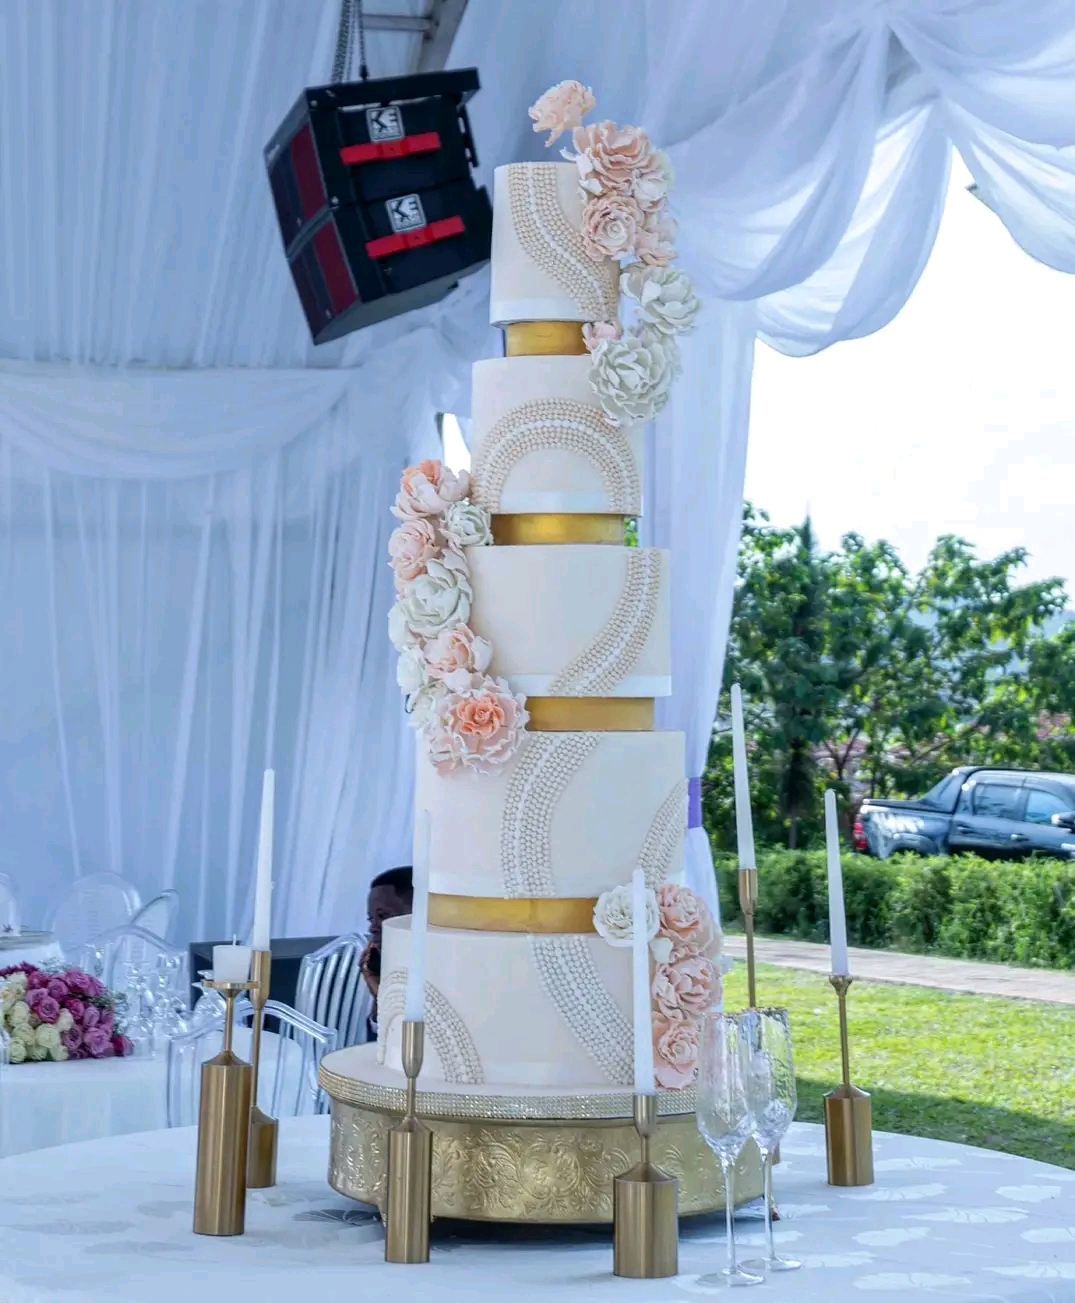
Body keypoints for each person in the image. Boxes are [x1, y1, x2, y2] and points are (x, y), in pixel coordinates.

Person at [360, 866, 413, 1041]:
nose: (372, 927)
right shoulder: (392, 968)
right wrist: (379, 993)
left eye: (383, 916)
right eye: (371, 918)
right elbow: (377, 1044)